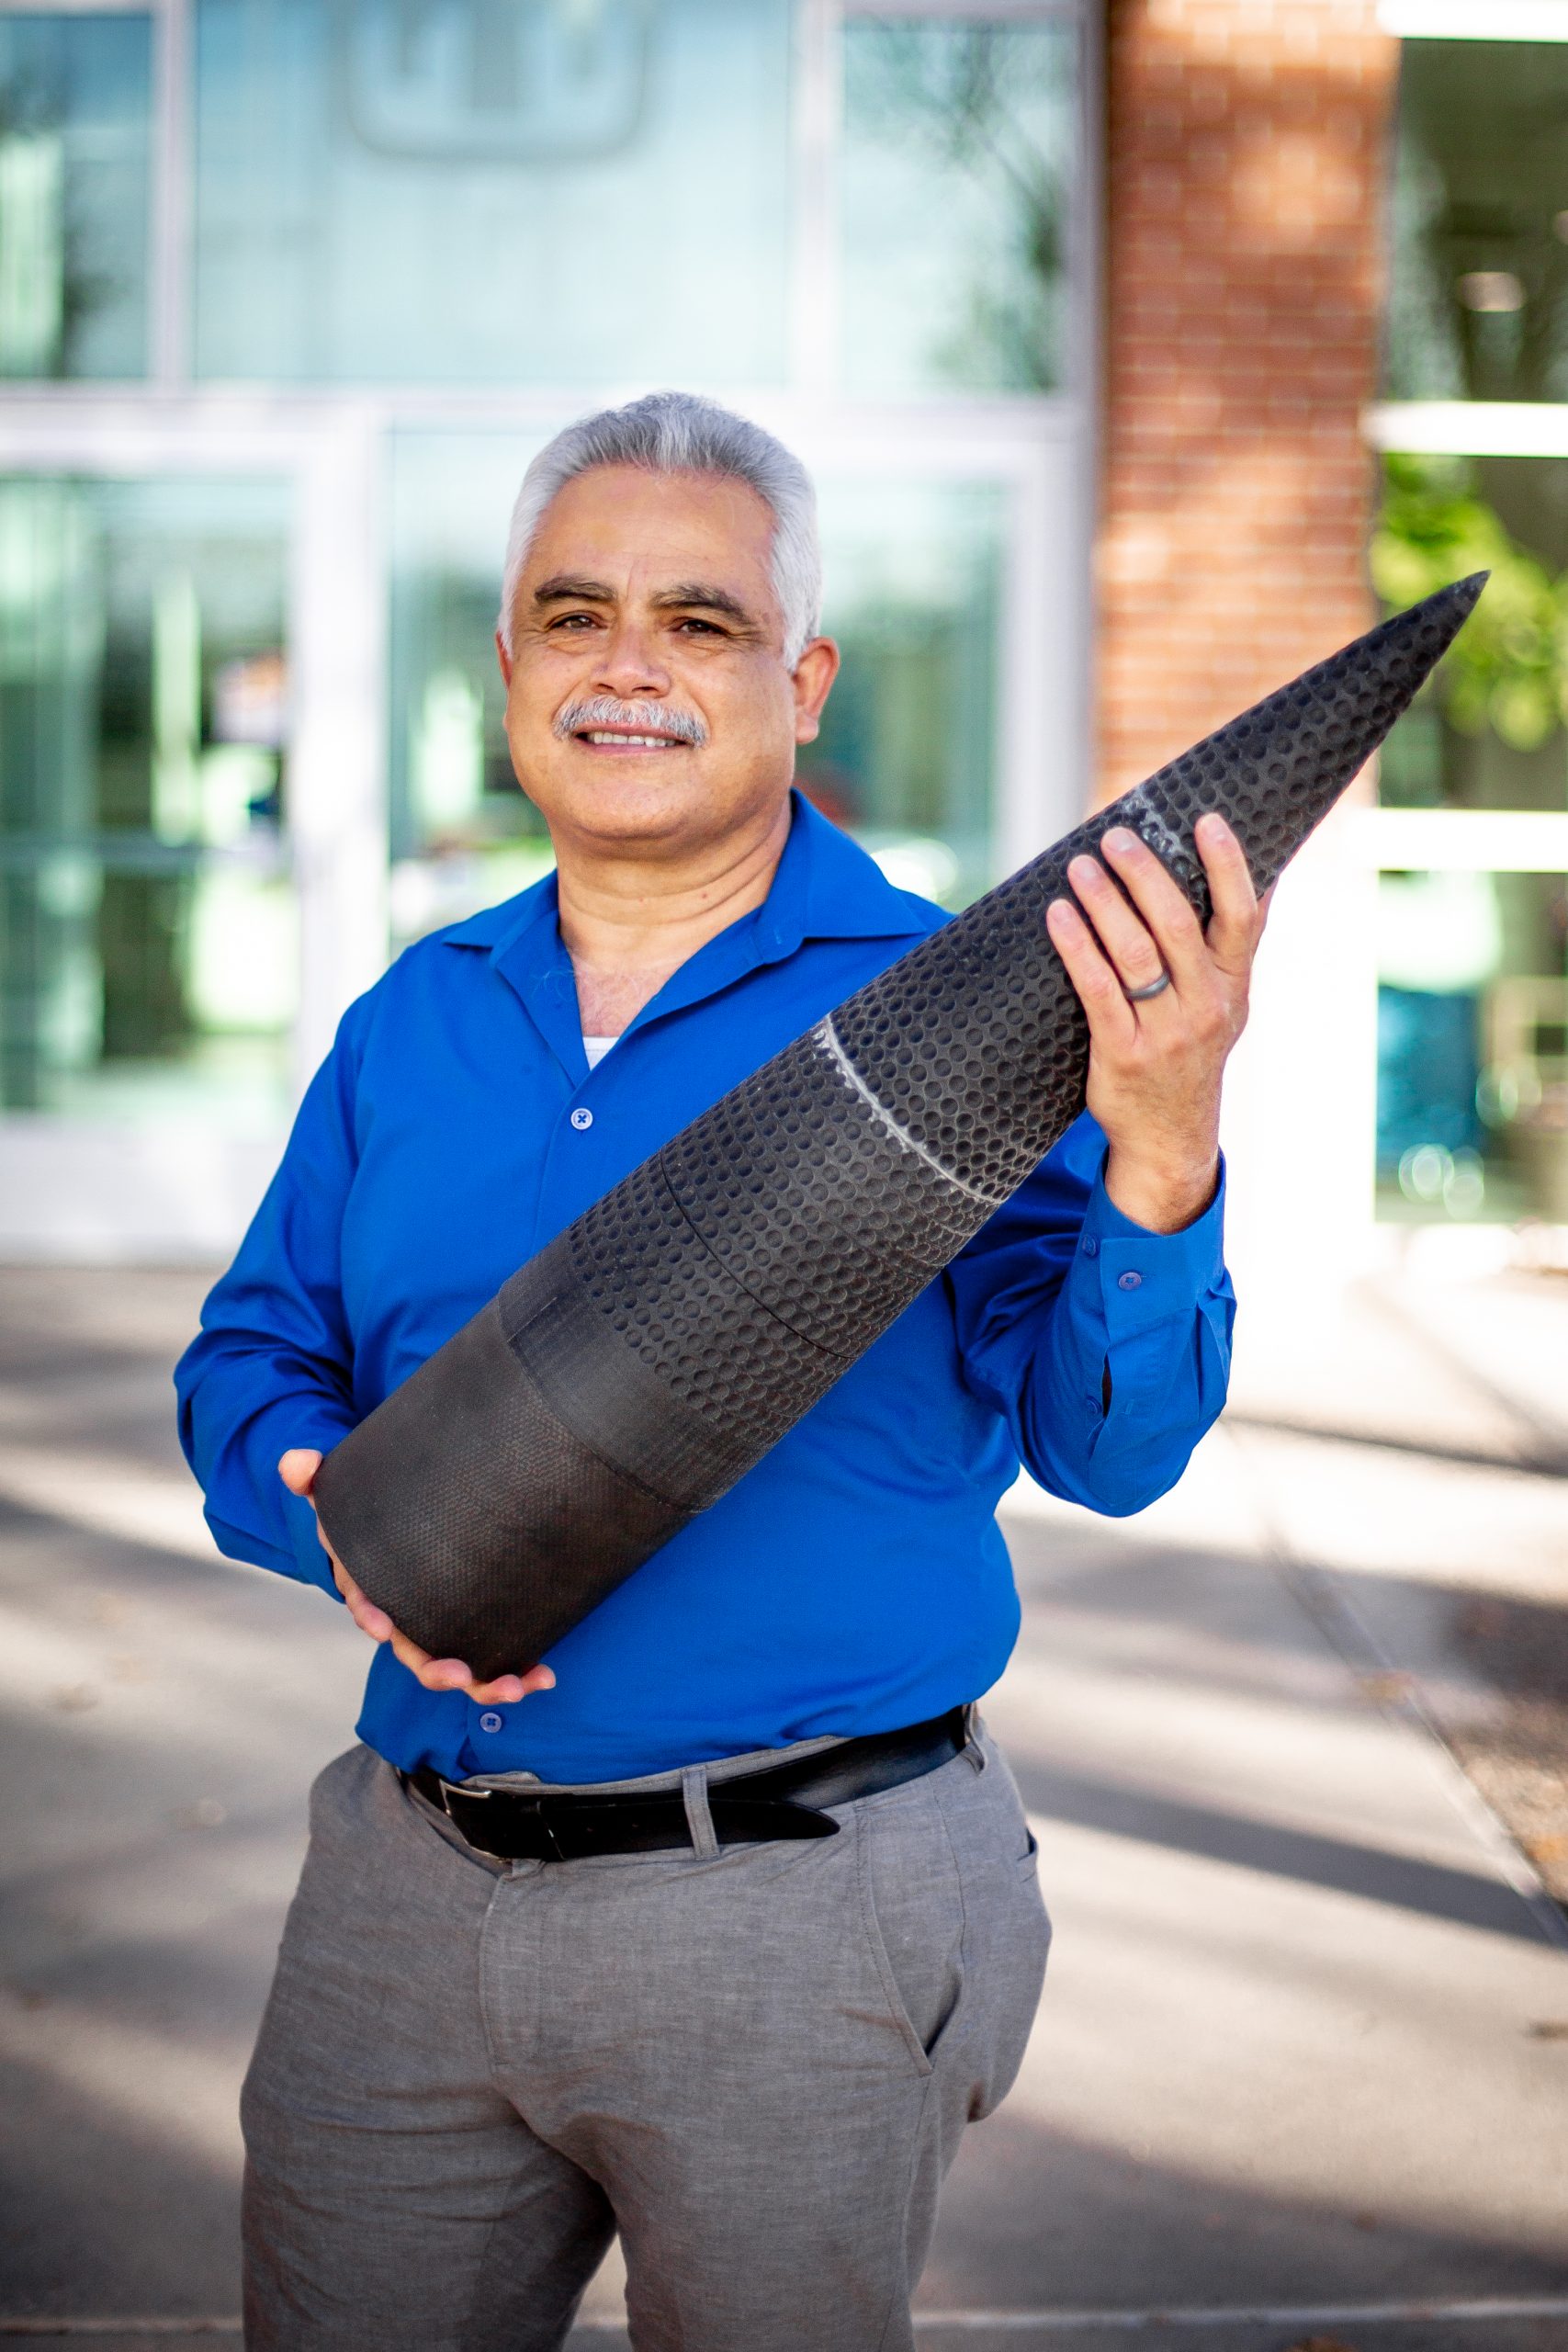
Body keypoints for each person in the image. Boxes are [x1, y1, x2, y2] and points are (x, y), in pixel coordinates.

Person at [175, 391, 1265, 2352]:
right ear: (509, 663)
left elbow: (1109, 1448)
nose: (626, 665)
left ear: (801, 676)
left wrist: (1164, 1145)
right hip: (403, 1899)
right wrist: (315, 1492)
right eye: (574, 612)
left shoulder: (960, 1019)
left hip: (796, 1906)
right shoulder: (417, 1016)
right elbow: (252, 1355)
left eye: (697, 618)